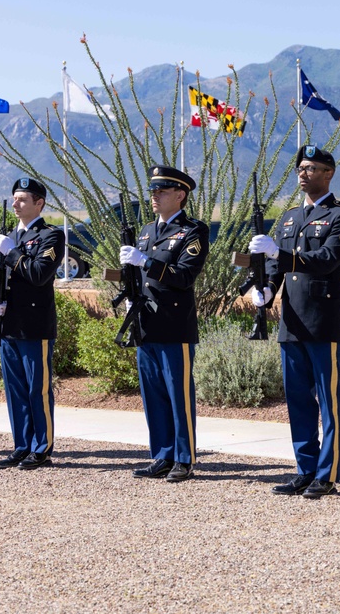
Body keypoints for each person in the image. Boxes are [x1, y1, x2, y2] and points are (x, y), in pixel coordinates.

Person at [249, 144, 340, 499]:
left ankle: (326, 475)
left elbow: (327, 258)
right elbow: (275, 266)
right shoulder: (288, 218)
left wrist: (279, 254)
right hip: (292, 321)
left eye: (311, 168)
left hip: (321, 319)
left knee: (327, 401)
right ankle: (304, 469)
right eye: (300, 168)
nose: (303, 173)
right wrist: (265, 289)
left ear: (329, 173)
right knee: (297, 401)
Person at [119, 166, 210, 483]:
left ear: (180, 195)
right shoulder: (145, 231)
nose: (154, 196)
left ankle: (184, 458)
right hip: (145, 325)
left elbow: (184, 276)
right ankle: (162, 454)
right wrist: (129, 293)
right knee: (153, 394)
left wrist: (146, 262)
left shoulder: (193, 231)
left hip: (174, 325)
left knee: (178, 393)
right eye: (153, 191)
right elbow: (137, 277)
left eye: (162, 191)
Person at [0, 178, 66, 471]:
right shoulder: (10, 235)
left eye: (22, 199)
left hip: (35, 325)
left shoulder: (51, 235)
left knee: (37, 389)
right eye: (14, 198)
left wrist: (11, 252)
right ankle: (21, 446)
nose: (15, 203)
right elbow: (2, 277)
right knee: (15, 390)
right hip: (9, 324)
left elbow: (38, 274)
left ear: (39, 203)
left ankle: (42, 448)